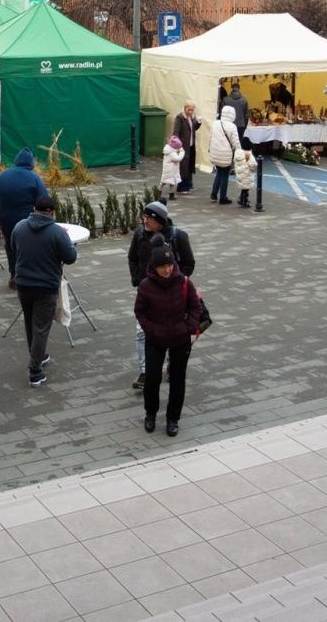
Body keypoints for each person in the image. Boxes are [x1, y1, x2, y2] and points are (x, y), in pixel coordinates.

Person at [135, 237, 203, 437]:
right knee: (153, 378)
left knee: (177, 379)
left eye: (170, 265)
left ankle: (173, 419)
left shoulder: (183, 282)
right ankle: (150, 414)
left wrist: (188, 327)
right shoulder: (146, 286)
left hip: (180, 339)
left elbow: (195, 307)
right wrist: (151, 329)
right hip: (155, 339)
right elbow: (140, 311)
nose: (167, 270)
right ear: (154, 267)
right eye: (162, 266)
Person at [127, 201, 195, 391]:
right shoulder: (140, 234)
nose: (144, 220)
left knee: (173, 332)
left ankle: (172, 365)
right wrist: (137, 280)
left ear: (160, 221)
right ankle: (146, 371)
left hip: (174, 295)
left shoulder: (177, 236)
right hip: (148, 293)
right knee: (142, 332)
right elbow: (132, 258)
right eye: (144, 217)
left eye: (149, 218)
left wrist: (178, 281)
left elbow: (189, 263)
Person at [12, 194, 78, 388]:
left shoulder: (19, 227)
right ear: (52, 211)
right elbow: (70, 257)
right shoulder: (57, 232)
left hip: (23, 284)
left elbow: (14, 248)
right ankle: (34, 371)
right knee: (41, 328)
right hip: (46, 287)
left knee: (30, 322)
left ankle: (37, 355)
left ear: (34, 208)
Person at [0, 148, 48, 286]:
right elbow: (43, 200)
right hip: (26, 221)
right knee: (27, 247)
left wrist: (4, 203)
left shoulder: (4, 175)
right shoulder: (34, 178)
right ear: (31, 164)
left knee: (10, 246)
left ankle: (14, 275)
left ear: (16, 161)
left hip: (5, 219)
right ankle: (28, 277)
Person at [209, 105, 242, 204]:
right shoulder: (232, 127)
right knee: (224, 175)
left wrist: (209, 149)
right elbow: (236, 142)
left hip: (215, 152)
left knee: (219, 173)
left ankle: (214, 194)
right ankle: (222, 197)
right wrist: (240, 151)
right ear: (233, 115)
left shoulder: (215, 123)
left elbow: (210, 137)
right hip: (225, 154)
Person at [172, 101, 200, 194]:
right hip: (183, 146)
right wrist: (178, 146)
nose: (191, 112)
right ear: (185, 108)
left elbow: (193, 128)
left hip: (191, 145)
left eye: (192, 110)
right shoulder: (180, 117)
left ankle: (188, 184)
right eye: (189, 110)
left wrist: (198, 122)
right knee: (183, 167)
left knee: (189, 165)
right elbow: (175, 132)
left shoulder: (191, 117)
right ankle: (182, 187)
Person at [160, 135, 185, 203]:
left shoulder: (168, 150)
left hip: (168, 170)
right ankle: (171, 194)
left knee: (163, 181)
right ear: (175, 147)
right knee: (172, 183)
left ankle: (158, 191)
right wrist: (182, 152)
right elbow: (178, 159)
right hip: (171, 171)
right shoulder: (172, 153)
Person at [233, 144, 256, 209]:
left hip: (239, 174)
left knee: (243, 187)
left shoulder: (237, 153)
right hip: (247, 174)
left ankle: (241, 198)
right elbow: (253, 165)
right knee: (246, 189)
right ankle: (244, 201)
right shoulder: (249, 154)